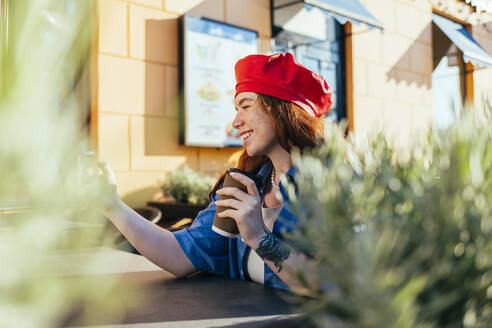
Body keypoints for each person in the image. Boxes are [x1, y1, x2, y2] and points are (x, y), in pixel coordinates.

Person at [97, 52, 333, 295]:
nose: (235, 122)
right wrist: (111, 204)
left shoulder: (334, 188)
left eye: (246, 106)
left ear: (281, 110)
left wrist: (260, 238)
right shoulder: (245, 182)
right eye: (236, 109)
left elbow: (335, 284)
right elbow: (181, 255)